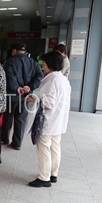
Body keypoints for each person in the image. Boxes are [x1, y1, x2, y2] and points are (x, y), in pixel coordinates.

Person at [26, 51, 71, 187]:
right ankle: (53, 173)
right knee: (55, 147)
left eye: (44, 63)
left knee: (44, 147)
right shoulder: (63, 80)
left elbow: (49, 103)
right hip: (59, 120)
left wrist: (34, 98)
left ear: (50, 64)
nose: (42, 66)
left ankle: (44, 178)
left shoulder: (53, 81)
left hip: (49, 121)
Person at [1, 42, 44, 150]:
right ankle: (17, 143)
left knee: (8, 118)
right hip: (25, 96)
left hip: (12, 95)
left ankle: (5, 138)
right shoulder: (33, 62)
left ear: (14, 51)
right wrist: (29, 87)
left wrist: (17, 88)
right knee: (21, 120)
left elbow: (10, 77)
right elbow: (40, 75)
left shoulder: (10, 62)